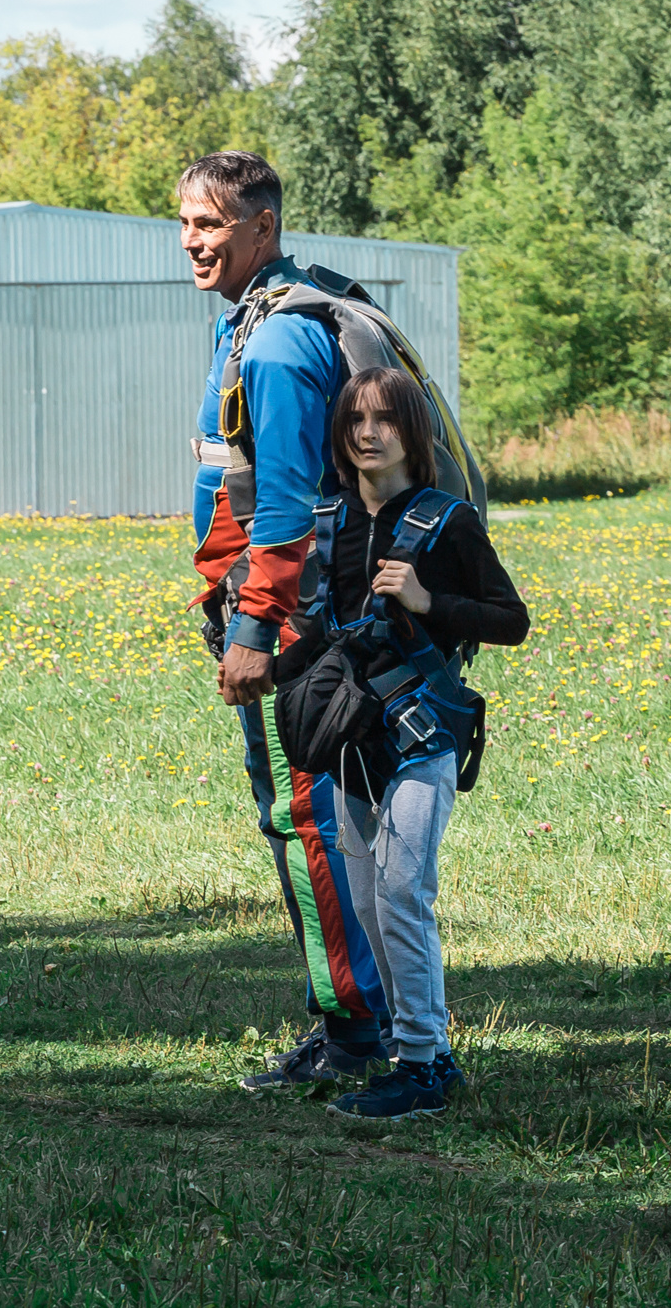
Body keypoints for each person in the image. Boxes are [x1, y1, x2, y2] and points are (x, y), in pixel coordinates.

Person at [179, 150, 393, 1092]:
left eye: (211, 225)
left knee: (307, 817)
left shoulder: (273, 341)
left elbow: (288, 506)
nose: (192, 241)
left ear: (261, 229)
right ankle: (371, 1017)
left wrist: (254, 629)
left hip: (301, 629)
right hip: (313, 615)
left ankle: (353, 1030)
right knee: (339, 819)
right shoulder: (278, 313)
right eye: (184, 223)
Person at [275, 367, 527, 1120]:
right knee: (368, 901)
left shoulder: (448, 522)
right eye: (354, 418)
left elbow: (510, 619)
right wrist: (261, 663)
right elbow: (327, 628)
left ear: (412, 432)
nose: (366, 431)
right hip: (354, 745)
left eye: (384, 418)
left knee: (402, 895)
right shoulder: (336, 522)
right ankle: (401, 1049)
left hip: (423, 738)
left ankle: (427, 1062)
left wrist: (426, 599)